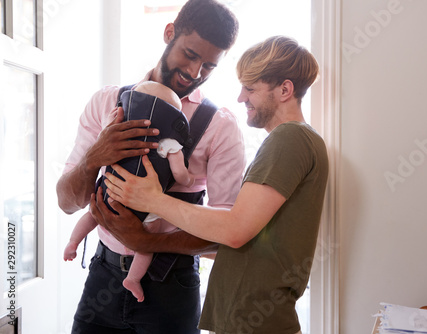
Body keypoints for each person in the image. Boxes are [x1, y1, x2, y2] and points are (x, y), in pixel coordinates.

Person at [93, 36, 329, 334]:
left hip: (257, 321)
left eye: (251, 88)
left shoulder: (289, 139)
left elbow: (234, 229)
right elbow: (246, 234)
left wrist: (154, 200)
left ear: (285, 90)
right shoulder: (296, 141)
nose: (241, 97)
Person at [56, 0, 245, 333]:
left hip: (173, 288)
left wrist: (148, 241)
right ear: (169, 33)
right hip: (102, 276)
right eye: (190, 54)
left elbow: (227, 237)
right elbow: (67, 202)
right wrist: (94, 157)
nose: (194, 73)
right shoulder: (106, 102)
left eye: (209, 66)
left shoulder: (221, 127)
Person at [64, 81, 195, 303]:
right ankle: (133, 279)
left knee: (92, 215)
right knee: (147, 241)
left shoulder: (115, 127)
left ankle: (73, 243)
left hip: (109, 192)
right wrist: (188, 179)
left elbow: (101, 140)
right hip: (144, 208)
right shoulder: (169, 143)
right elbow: (181, 175)